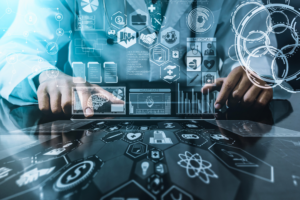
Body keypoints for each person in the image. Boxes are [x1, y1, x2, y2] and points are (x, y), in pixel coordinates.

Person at [0, 0, 291, 117]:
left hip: (201, 119)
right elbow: (15, 50)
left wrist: (253, 72)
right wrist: (46, 75)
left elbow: (254, 54)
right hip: (92, 117)